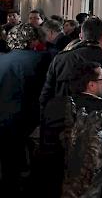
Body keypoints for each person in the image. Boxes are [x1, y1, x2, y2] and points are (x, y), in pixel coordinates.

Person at [40, 17, 102, 116]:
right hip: (99, 118)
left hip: (62, 118)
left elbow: (46, 94)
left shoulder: (60, 58)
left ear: (81, 36)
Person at [0, 23, 49, 194]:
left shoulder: (2, 59)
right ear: (33, 40)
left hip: (4, 119)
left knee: (8, 164)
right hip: (31, 120)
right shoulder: (42, 59)